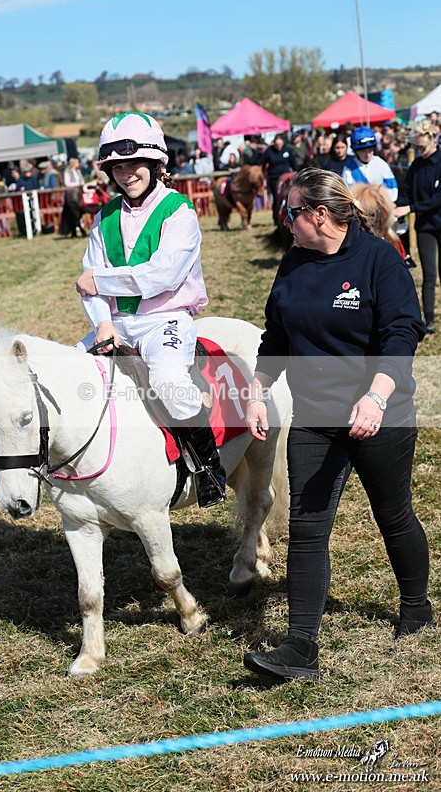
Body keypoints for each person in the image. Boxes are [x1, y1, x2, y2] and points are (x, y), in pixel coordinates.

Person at [243, 167, 433, 684]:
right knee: (307, 529)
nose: (284, 221)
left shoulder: (379, 260)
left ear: (320, 214)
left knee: (393, 515)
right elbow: (276, 336)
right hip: (314, 417)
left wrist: (376, 396)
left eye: (290, 212)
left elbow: (402, 333)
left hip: (380, 414)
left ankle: (416, 606)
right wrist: (257, 391)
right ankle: (300, 646)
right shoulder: (293, 262)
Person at [75, 111, 225, 508]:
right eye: (117, 167)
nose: (126, 174)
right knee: (69, 374)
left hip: (165, 320)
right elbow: (88, 285)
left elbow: (162, 275)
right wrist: (102, 324)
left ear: (156, 162)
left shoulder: (179, 211)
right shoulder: (103, 218)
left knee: (168, 381)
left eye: (134, 163)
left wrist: (99, 280)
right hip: (117, 324)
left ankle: (208, 466)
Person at [394, 120, 441, 334]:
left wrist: (411, 208)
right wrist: (396, 205)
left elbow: (437, 199)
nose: (419, 151)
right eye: (416, 147)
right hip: (425, 226)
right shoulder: (416, 165)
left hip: (437, 219)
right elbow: (406, 192)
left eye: (422, 147)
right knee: (429, 274)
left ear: (433, 140)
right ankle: (428, 320)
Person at [342, 126, 398, 203]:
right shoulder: (349, 168)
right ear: (355, 151)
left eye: (370, 150)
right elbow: (348, 194)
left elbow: (392, 188)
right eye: (363, 150)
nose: (368, 154)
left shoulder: (380, 163)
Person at [259, 134, 299, 226]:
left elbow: (294, 164)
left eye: (280, 144)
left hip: (286, 178)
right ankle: (276, 220)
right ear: (274, 143)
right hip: (274, 179)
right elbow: (262, 163)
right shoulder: (269, 151)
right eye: (277, 144)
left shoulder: (287, 150)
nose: (278, 146)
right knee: (277, 199)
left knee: (287, 197)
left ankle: (289, 217)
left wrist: (297, 173)